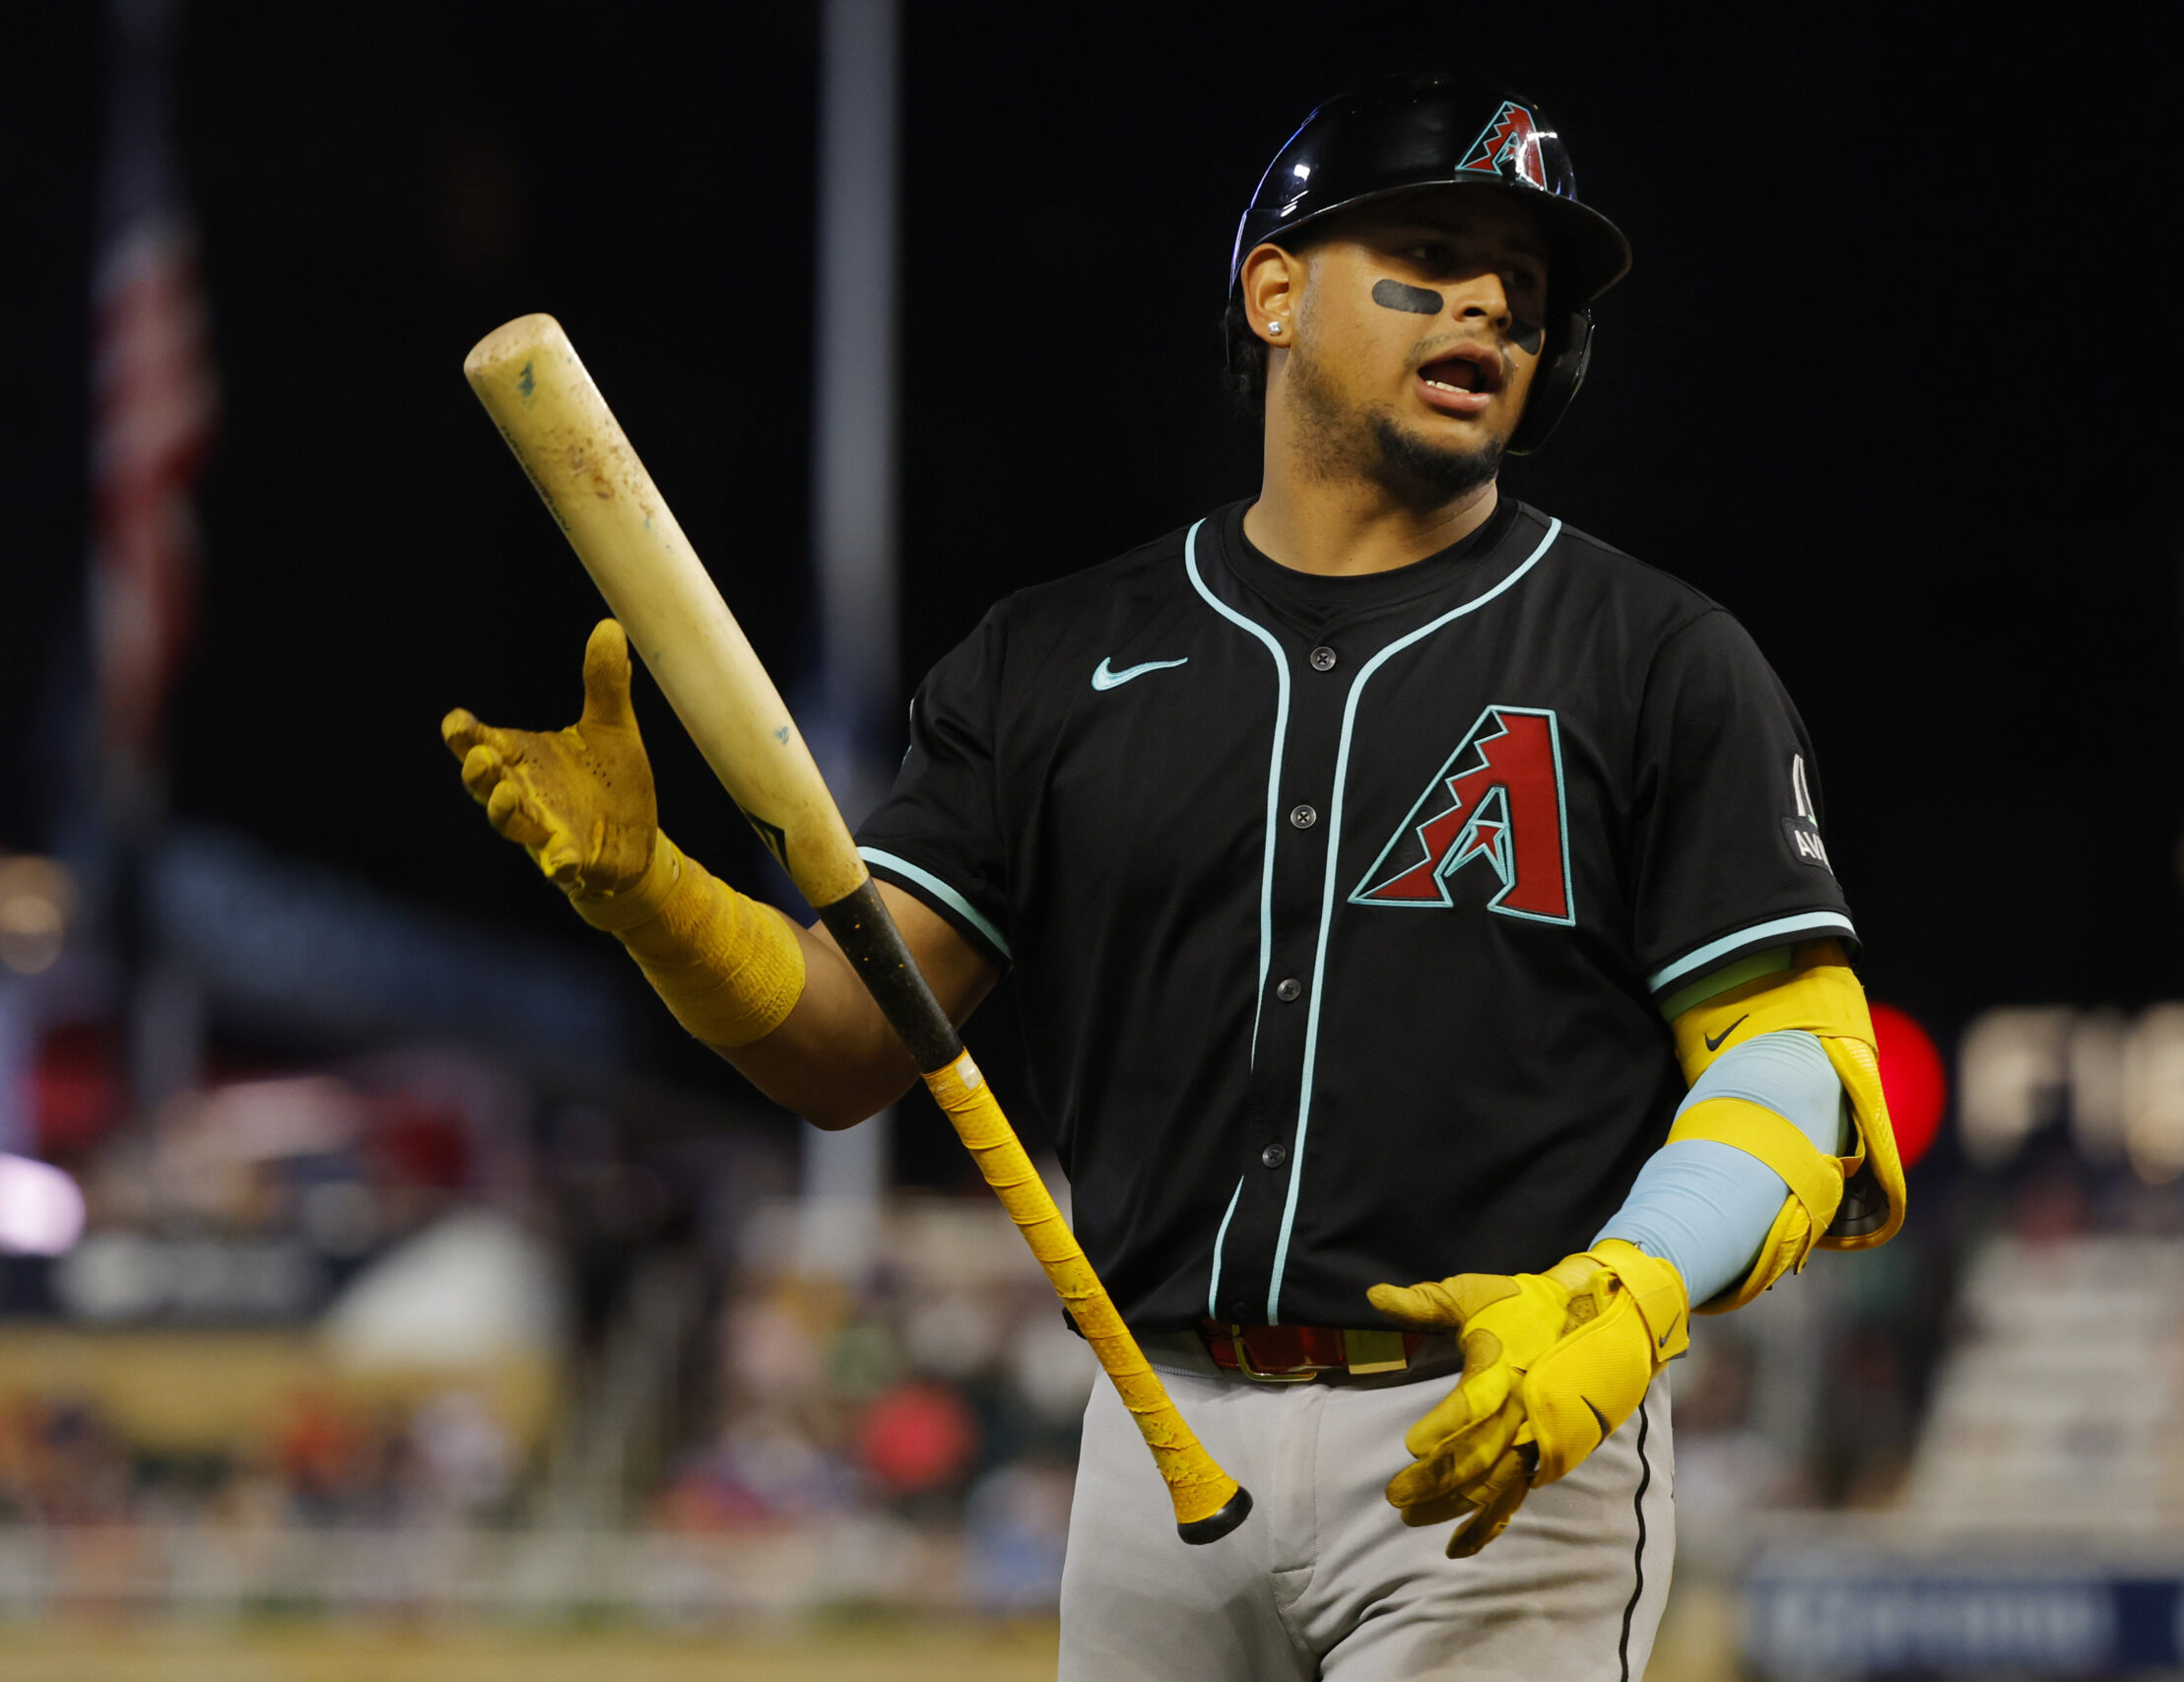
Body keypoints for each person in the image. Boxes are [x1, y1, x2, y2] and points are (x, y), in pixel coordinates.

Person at [442, 71, 1904, 1682]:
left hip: (1500, 1436)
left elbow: (1801, 1061)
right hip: (1152, 1435)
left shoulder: (1658, 661)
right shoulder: (1055, 660)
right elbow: (852, 1042)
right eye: (1427, 254)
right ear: (1274, 292)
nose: (1491, 300)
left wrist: (1631, 1296)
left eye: (1528, 289)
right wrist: (652, 895)